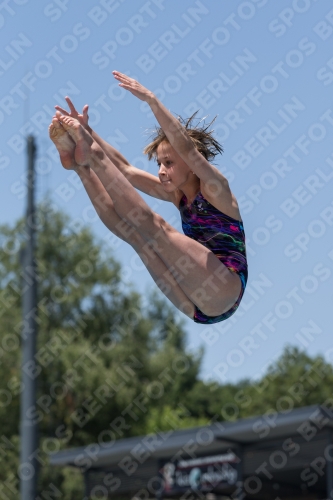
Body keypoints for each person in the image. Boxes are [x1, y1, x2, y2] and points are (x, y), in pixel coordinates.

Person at [48, 71, 247, 324]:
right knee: (136, 236)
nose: (161, 170)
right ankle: (81, 168)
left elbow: (186, 148)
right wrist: (88, 131)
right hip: (194, 306)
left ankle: (93, 156)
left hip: (225, 288)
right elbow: (125, 170)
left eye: (169, 163)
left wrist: (152, 100)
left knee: (157, 228)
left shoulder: (216, 188)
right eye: (159, 163)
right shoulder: (178, 195)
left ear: (190, 164)